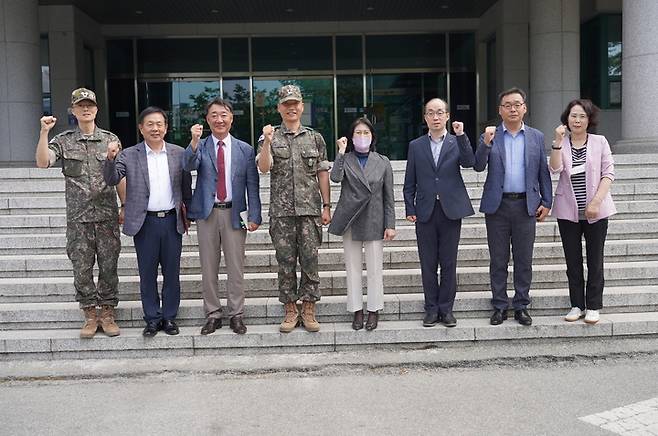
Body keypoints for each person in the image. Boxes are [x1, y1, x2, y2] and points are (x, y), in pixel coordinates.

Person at [35, 88, 125, 339]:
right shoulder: (63, 140)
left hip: (106, 216)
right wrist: (44, 132)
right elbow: (43, 162)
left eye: (90, 105)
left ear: (96, 109)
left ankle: (107, 313)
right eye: (80, 106)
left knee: (109, 266)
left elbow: (119, 176)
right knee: (81, 268)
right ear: (73, 111)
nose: (86, 109)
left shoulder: (111, 139)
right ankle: (89, 314)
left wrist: (124, 204)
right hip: (79, 218)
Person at [103, 106, 191, 337]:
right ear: (141, 128)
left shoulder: (178, 153)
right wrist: (110, 159)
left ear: (166, 127)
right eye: (150, 124)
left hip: (172, 221)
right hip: (145, 223)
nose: (155, 128)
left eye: (159, 124)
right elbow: (112, 179)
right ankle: (152, 318)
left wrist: (188, 214)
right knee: (147, 273)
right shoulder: (129, 154)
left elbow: (185, 187)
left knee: (172, 272)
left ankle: (169, 317)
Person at [474, 87, 552, 326]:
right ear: (500, 110)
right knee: (498, 259)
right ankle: (499, 305)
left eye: (517, 104)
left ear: (524, 108)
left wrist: (547, 202)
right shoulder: (490, 135)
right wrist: (485, 144)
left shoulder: (536, 137)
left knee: (523, 259)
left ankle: (521, 305)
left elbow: (543, 172)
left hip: (525, 205)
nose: (513, 109)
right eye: (507, 105)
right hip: (498, 206)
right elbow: (477, 166)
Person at [256, 85, 331, 333]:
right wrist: (267, 142)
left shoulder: (315, 138)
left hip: (310, 210)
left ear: (301, 106)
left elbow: (322, 173)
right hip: (282, 213)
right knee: (285, 262)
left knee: (310, 260)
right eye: (286, 104)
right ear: (279, 108)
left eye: (295, 103)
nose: (291, 108)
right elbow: (264, 168)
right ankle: (290, 308)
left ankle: (309, 308)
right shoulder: (269, 136)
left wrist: (327, 205)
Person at [183, 98, 262, 335]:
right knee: (209, 267)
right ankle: (213, 314)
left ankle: (236, 314)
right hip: (208, 213)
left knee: (236, 267)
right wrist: (194, 142)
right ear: (207, 119)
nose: (219, 119)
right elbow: (188, 165)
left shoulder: (244, 149)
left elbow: (252, 184)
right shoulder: (201, 145)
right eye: (214, 115)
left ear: (231, 118)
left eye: (224, 114)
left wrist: (255, 214)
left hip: (234, 213)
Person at [403, 98, 475, 328]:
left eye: (440, 112)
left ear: (447, 116)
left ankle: (447, 309)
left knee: (448, 262)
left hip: (450, 210)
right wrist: (409, 207)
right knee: (427, 263)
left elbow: (469, 162)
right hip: (425, 211)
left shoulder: (456, 142)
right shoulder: (416, 145)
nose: (435, 117)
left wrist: (462, 136)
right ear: (425, 117)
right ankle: (431, 309)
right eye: (431, 113)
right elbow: (409, 182)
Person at [549, 99, 615, 325]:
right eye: (573, 116)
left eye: (582, 116)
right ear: (567, 119)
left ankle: (593, 305)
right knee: (573, 261)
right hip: (568, 212)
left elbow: (608, 174)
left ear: (589, 120)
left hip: (596, 211)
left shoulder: (600, 142)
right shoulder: (561, 143)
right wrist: (557, 142)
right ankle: (576, 304)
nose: (577, 120)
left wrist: (596, 202)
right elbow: (555, 168)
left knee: (595, 260)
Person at [328, 117, 395, 331]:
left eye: (366, 133)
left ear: (373, 136)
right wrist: (340, 151)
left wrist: (390, 223)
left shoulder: (382, 161)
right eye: (358, 133)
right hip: (351, 218)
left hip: (375, 218)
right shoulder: (346, 159)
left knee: (375, 269)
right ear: (351, 137)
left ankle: (374, 310)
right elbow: (336, 178)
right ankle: (357, 310)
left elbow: (389, 196)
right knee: (353, 268)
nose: (362, 137)